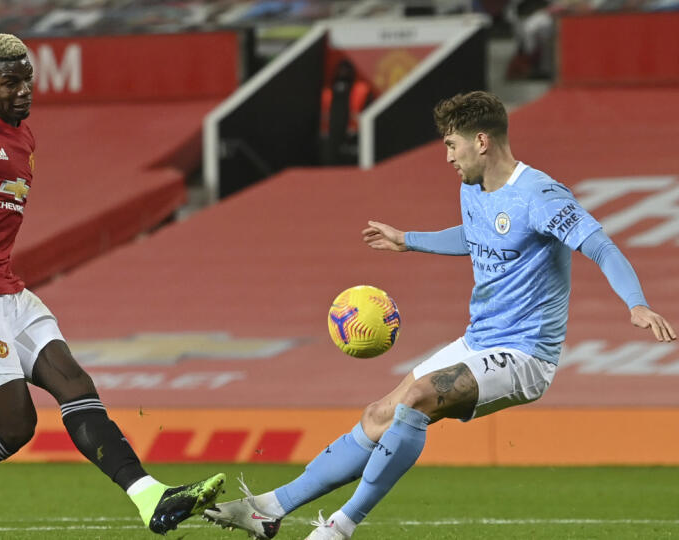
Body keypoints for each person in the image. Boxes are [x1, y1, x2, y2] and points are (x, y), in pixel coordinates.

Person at [203, 90, 676, 539]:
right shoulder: (474, 188)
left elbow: (600, 246)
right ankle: (268, 510)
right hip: (479, 340)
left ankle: (339, 526)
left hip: (526, 353)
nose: (447, 156)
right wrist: (408, 239)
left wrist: (636, 304)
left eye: (452, 145)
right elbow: (476, 237)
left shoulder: (540, 196)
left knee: (422, 396)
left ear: (482, 142)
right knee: (378, 415)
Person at [0, 33, 224, 539]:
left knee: (75, 385)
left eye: (27, 80)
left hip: (8, 290)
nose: (22, 92)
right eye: (9, 83)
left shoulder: (24, 138)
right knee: (16, 427)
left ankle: (150, 499)